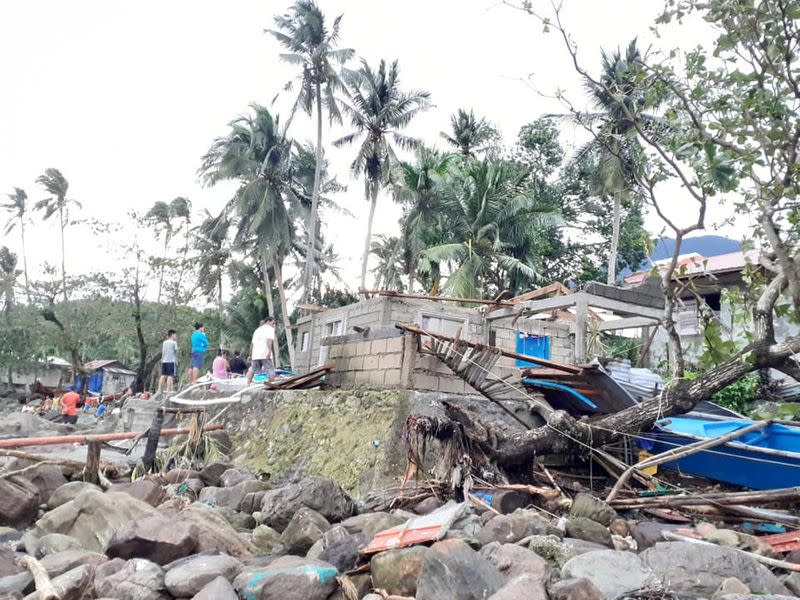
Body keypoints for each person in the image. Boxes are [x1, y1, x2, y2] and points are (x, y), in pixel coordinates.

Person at [247, 316, 276, 384]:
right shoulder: (270, 329)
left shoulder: (257, 330)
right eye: (273, 323)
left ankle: (248, 383)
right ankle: (272, 384)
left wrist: (250, 355)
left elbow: (252, 344)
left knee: (252, 369)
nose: (273, 325)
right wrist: (269, 351)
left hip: (256, 354)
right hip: (265, 353)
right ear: (268, 321)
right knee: (269, 369)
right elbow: (269, 340)